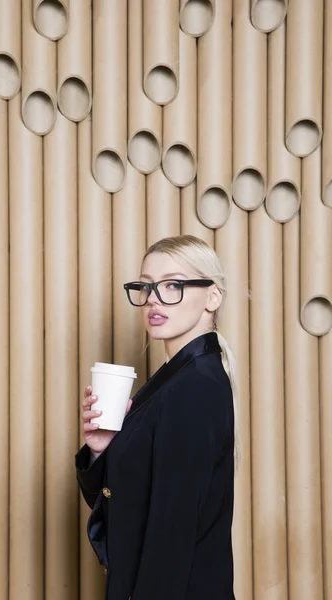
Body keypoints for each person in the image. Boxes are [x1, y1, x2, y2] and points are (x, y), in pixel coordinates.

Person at [75, 234, 240, 600]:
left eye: (173, 285)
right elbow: (128, 503)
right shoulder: (174, 381)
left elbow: (172, 533)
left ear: (212, 296)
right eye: (146, 286)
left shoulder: (195, 385)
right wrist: (103, 450)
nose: (153, 298)